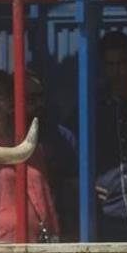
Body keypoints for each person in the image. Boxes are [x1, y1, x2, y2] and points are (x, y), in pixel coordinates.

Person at [0, 70, 60, 243]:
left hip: (40, 245)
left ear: (11, 100)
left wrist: (54, 230)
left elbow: (43, 192)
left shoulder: (28, 141)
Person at [25, 70, 79, 241]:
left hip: (55, 229)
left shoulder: (62, 138)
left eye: (41, 97)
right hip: (18, 231)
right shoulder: (3, 139)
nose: (39, 103)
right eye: (31, 98)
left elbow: (75, 189)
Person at [94, 31, 127, 241]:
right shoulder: (93, 107)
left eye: (121, 63)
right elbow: (73, 149)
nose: (116, 71)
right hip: (109, 212)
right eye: (110, 65)